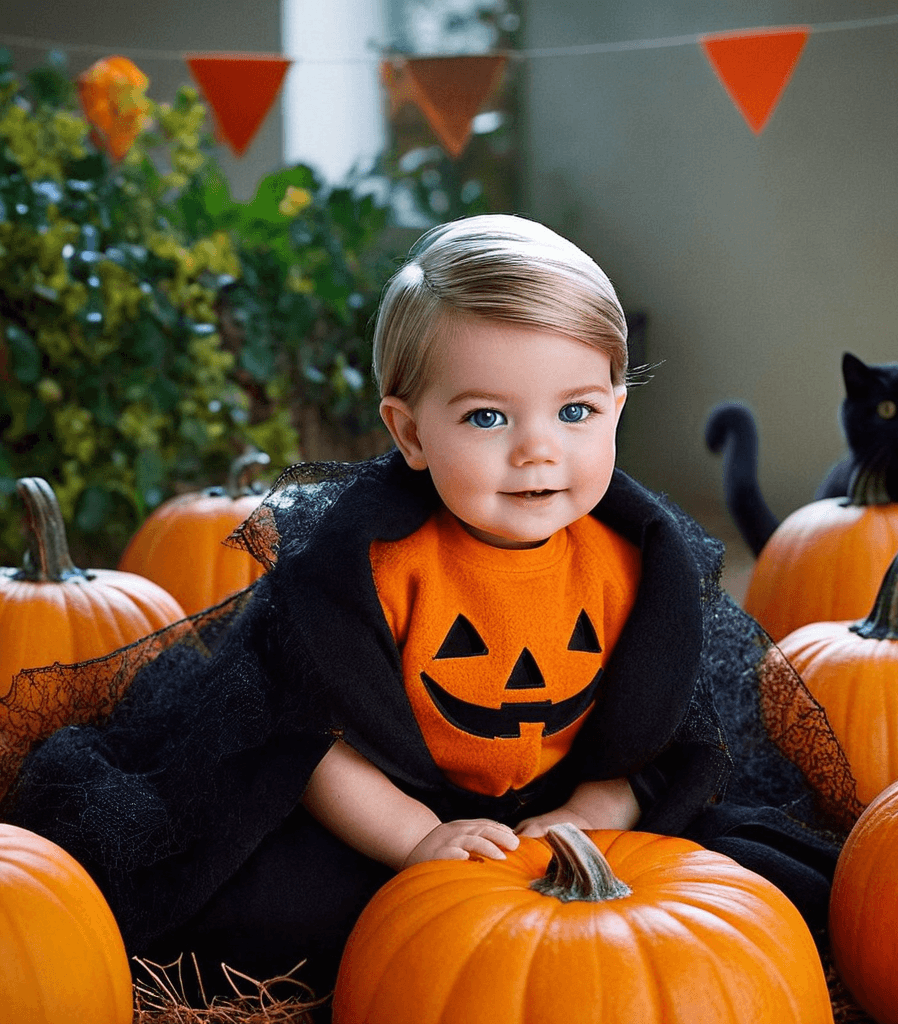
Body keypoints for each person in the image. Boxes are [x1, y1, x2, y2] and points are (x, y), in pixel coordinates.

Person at [0, 215, 854, 1003]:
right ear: (409, 434)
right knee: (266, 905)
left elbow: (666, 732)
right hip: (399, 800)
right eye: (487, 416)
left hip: (573, 806)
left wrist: (598, 809)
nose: (538, 448)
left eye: (575, 411)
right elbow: (310, 742)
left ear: (615, 409)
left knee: (748, 878)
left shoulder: (639, 562)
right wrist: (414, 841)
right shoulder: (365, 566)